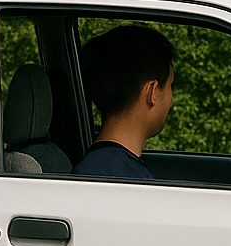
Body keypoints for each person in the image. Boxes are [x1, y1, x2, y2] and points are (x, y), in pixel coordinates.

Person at [74, 24, 175, 179]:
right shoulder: (123, 179)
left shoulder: (98, 167)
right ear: (152, 92)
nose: (171, 100)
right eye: (170, 86)